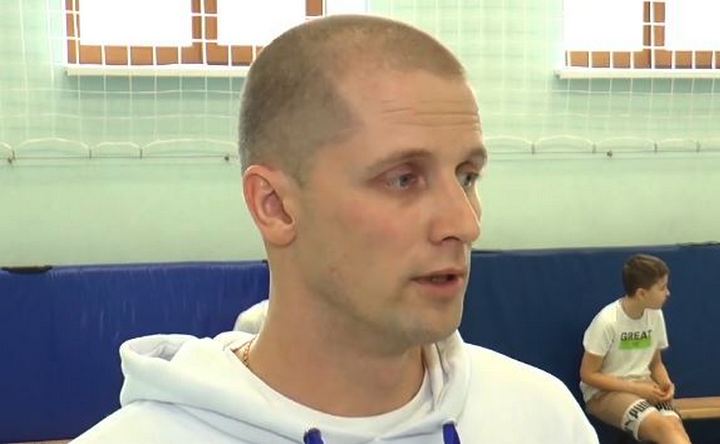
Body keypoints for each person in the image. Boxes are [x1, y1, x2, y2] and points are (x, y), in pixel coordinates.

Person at [74, 15, 598, 443]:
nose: (465, 222)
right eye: (403, 179)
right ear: (275, 206)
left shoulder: (543, 418)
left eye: (467, 176)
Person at [580, 254, 691, 443]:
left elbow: (655, 364)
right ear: (641, 294)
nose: (668, 293)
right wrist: (635, 388)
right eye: (662, 288)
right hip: (603, 394)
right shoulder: (608, 321)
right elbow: (588, 375)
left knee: (675, 427)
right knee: (664, 428)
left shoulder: (655, 315)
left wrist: (666, 384)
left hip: (644, 387)